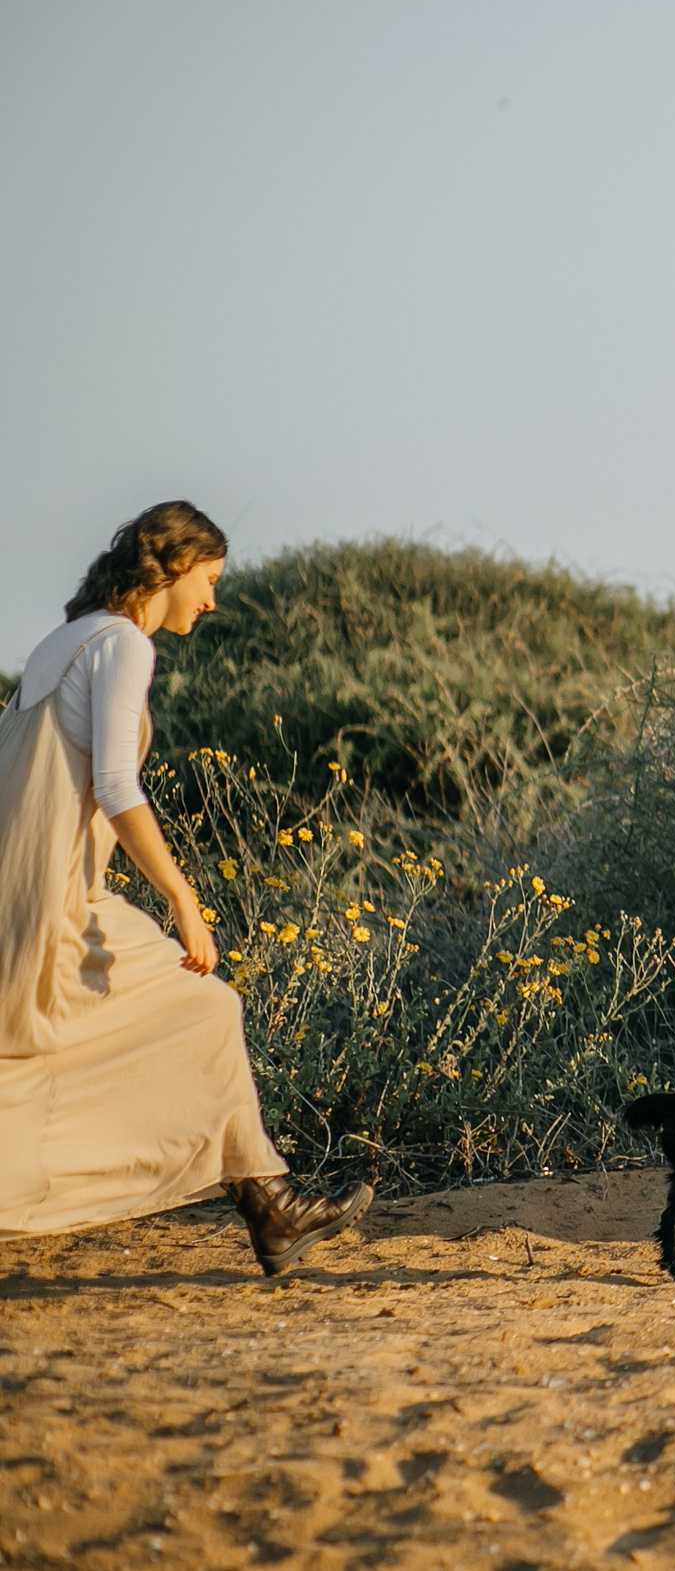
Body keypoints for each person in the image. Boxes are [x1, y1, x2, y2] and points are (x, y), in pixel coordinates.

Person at [0, 503, 372, 1272]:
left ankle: (271, 1204)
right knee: (204, 1005)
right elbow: (114, 785)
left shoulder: (59, 642)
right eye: (208, 580)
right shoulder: (124, 644)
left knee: (106, 1040)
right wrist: (184, 899)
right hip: (60, 900)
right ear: (170, 569)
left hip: (24, 893)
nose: (211, 600)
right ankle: (272, 1206)